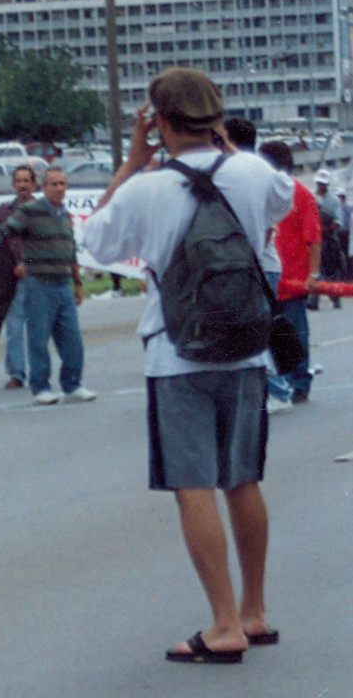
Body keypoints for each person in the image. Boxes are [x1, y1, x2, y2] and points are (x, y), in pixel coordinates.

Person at [79, 68, 290, 665]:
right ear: (217, 118)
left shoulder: (146, 188)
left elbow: (94, 243)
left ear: (159, 120)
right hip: (247, 347)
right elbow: (281, 199)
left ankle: (223, 626)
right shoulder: (253, 172)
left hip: (177, 353)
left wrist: (129, 164)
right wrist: (226, 146)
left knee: (193, 485)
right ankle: (253, 610)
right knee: (242, 479)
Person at [0, 167, 94, 405]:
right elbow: (1, 233)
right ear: (43, 188)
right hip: (39, 283)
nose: (59, 188)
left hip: (63, 283)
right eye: (54, 184)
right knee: (38, 339)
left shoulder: (64, 215)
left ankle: (73, 384)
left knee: (72, 339)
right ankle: (41, 387)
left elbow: (71, 251)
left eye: (63, 184)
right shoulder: (30, 212)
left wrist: (77, 283)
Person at [257, 141, 318, 412]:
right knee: (269, 334)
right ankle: (280, 382)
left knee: (296, 331)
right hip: (270, 276)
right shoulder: (263, 194)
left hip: (294, 279)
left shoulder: (301, 195)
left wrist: (313, 275)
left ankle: (300, 382)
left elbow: (313, 238)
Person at [0, 165, 39, 389]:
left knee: (39, 328)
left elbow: (50, 243)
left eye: (27, 180)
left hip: (40, 277)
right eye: (19, 181)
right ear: (13, 185)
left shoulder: (43, 210)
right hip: (14, 279)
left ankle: (39, 371)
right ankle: (17, 373)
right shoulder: (3, 212)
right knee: (14, 328)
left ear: (34, 184)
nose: (23, 185)